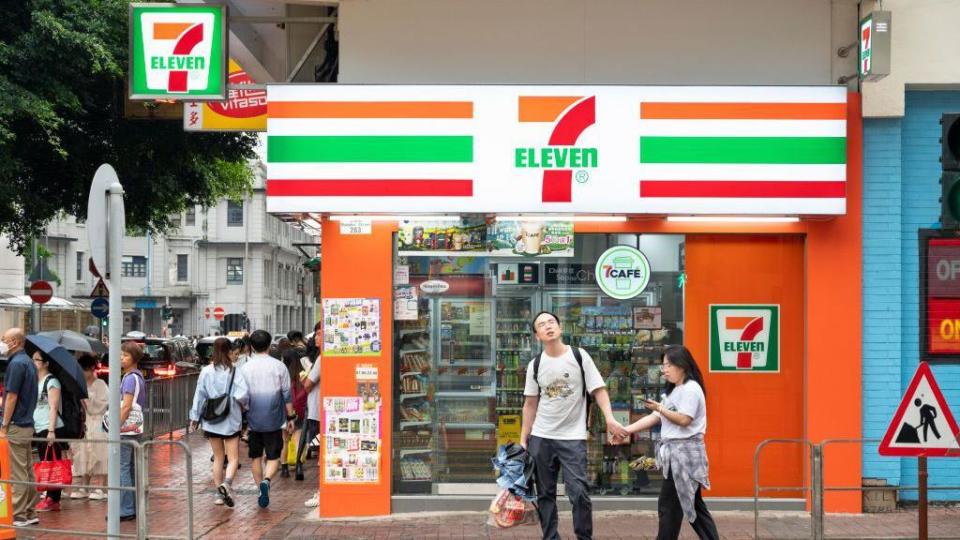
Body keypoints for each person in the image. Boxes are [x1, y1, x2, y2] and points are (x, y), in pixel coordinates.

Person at [520, 311, 626, 540]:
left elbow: (598, 389)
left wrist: (609, 418)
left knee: (579, 493)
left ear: (559, 327)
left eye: (551, 322)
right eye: (541, 324)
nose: (547, 326)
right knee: (545, 494)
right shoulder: (535, 365)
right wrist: (523, 438)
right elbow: (530, 404)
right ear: (537, 335)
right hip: (541, 437)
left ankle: (584, 537)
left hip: (573, 438)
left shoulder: (579, 356)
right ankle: (550, 537)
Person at [619, 345, 719, 540]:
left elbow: (684, 420)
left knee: (669, 506)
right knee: (692, 506)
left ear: (682, 365)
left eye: (668, 365)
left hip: (685, 456)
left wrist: (661, 409)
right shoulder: (674, 391)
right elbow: (655, 416)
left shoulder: (690, 389)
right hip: (678, 455)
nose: (663, 369)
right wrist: (626, 430)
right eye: (663, 365)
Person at [190, 338, 249, 508]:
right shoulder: (236, 372)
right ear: (229, 351)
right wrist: (243, 407)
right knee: (233, 458)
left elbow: (199, 396)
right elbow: (243, 395)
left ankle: (218, 494)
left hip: (211, 419)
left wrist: (195, 417)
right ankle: (227, 484)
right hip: (231, 418)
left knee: (217, 457)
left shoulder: (206, 371)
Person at [239, 330, 295, 508]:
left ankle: (260, 489)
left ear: (252, 346)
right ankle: (267, 480)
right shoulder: (279, 367)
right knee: (273, 456)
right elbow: (287, 395)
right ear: (270, 344)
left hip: (253, 420)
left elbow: (241, 397)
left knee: (255, 457)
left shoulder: (245, 368)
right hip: (274, 419)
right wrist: (291, 417)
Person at [0, 328, 40, 527]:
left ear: (15, 342)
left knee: (17, 471)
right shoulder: (30, 363)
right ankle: (30, 510)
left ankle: (18, 514)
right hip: (27, 422)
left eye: (5, 339)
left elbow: (12, 396)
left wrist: (4, 425)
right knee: (27, 468)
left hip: (16, 424)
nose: (3, 343)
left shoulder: (16, 364)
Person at [32, 349, 68, 511]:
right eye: (32, 359)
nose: (33, 363)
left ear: (46, 363)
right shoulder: (35, 380)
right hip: (39, 426)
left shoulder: (51, 381)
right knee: (46, 462)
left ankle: (53, 499)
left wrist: (51, 431)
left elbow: (53, 407)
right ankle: (50, 497)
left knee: (52, 464)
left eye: (37, 360)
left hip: (50, 427)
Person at [71, 354, 108, 501]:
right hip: (85, 423)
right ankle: (84, 486)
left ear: (92, 369)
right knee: (83, 454)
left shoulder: (100, 384)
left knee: (100, 454)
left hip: (98, 423)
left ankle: (101, 487)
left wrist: (87, 399)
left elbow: (100, 406)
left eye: (84, 370)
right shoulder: (81, 385)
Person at [118, 341, 147, 521]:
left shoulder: (130, 378)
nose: (122, 358)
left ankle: (126, 509)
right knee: (131, 468)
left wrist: (116, 426)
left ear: (134, 358)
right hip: (136, 426)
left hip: (127, 428)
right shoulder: (137, 376)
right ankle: (133, 506)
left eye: (126, 355)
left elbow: (126, 406)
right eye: (121, 355)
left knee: (123, 468)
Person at [297, 322, 322, 505]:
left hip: (318, 410)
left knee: (321, 452)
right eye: (316, 334)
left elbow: (307, 385)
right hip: (320, 409)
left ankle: (322, 491)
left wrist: (306, 376)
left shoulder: (322, 358)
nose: (316, 338)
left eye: (320, 334)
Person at [280, 349, 306, 479]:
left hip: (284, 412)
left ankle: (284, 468)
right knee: (297, 440)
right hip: (300, 412)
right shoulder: (302, 375)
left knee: (284, 441)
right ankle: (299, 467)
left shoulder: (282, 375)